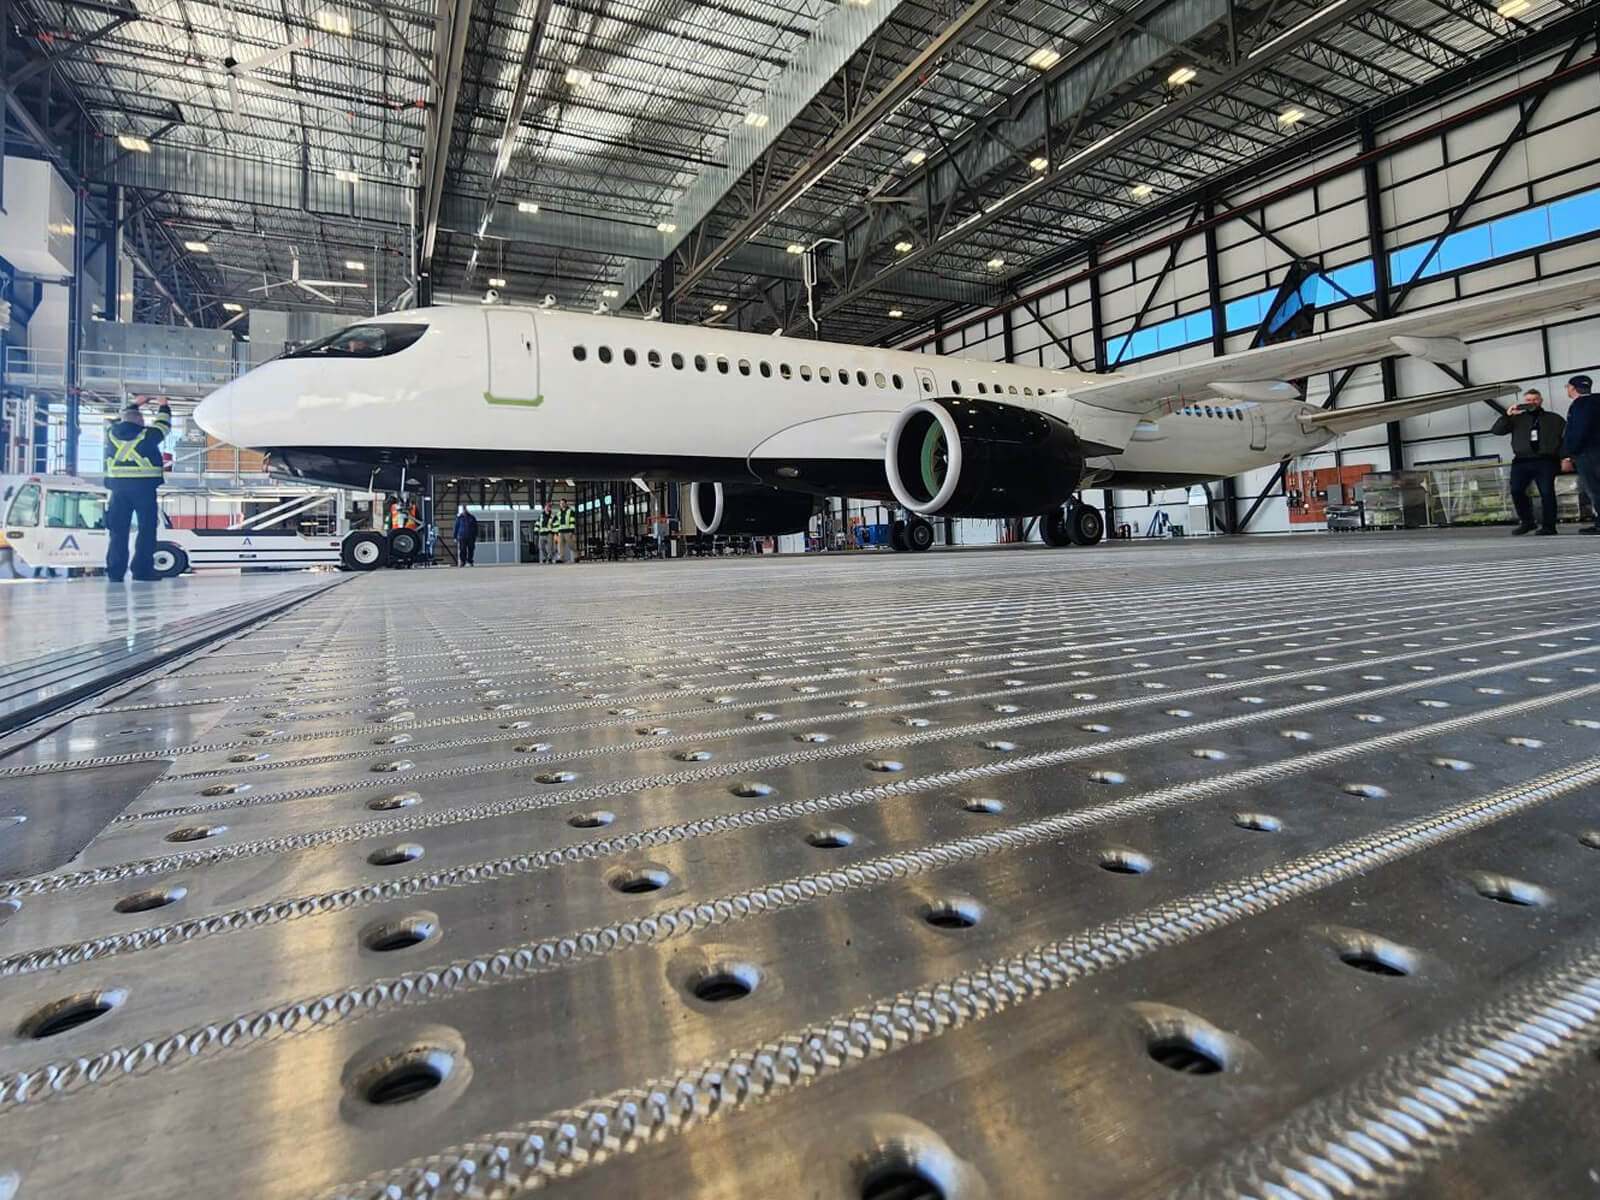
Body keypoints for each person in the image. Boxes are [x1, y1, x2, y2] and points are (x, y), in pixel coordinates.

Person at [103, 397, 172, 581]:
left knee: (118, 532)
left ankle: (115, 572)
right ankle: (141, 570)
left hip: (118, 492)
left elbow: (125, 417)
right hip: (144, 491)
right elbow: (163, 425)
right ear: (140, 421)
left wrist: (135, 404)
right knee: (146, 531)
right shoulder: (147, 435)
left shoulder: (110, 433)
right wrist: (163, 405)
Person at [1492, 388, 1565, 535]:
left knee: (1547, 493)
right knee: (1516, 490)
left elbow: (1566, 438)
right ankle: (1527, 522)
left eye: (1535, 399)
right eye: (1529, 400)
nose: (1532, 402)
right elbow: (1497, 430)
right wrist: (1507, 414)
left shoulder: (1554, 419)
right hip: (1521, 461)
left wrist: (1566, 457)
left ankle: (1549, 526)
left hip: (1546, 460)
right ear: (1524, 402)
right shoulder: (1516, 419)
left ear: (1541, 400)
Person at [1561, 375, 1600, 534]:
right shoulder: (1597, 402)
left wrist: (1570, 453)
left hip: (1588, 453)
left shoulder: (1579, 406)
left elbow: (1578, 431)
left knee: (1594, 488)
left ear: (1572, 388)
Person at [557, 498, 577, 563]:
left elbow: (572, 521)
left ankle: (576, 556)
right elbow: (557, 523)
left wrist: (571, 531)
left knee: (571, 545)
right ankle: (561, 558)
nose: (561, 505)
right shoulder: (559, 513)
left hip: (568, 531)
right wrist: (557, 532)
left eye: (563, 503)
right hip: (561, 531)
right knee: (560, 546)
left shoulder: (570, 511)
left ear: (566, 504)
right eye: (560, 503)